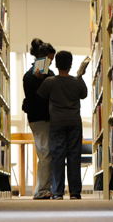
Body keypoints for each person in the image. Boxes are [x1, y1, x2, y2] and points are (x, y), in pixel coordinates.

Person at [37, 50, 87, 200]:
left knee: (58, 157)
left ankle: (57, 192)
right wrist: (80, 76)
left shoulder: (50, 81)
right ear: (71, 65)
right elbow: (84, 94)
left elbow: (40, 96)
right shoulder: (77, 81)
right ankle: (75, 192)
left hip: (57, 123)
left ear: (56, 65)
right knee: (74, 157)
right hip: (74, 122)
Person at [21, 39, 56, 200]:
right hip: (38, 118)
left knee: (47, 153)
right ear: (41, 58)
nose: (51, 63)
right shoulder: (29, 77)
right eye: (49, 59)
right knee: (45, 153)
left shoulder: (50, 74)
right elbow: (34, 100)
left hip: (50, 118)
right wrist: (39, 80)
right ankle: (41, 190)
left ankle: (46, 188)